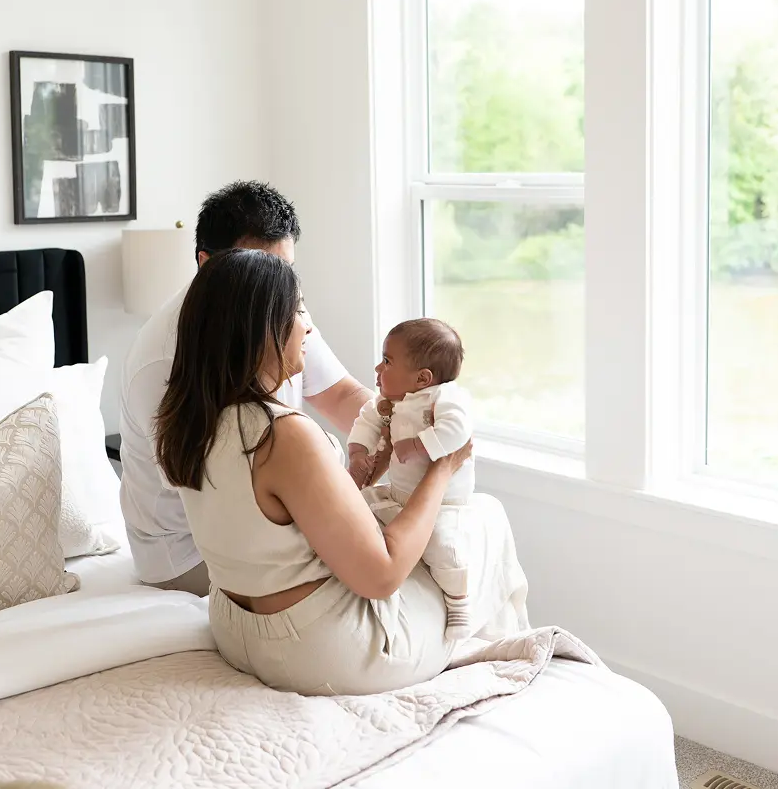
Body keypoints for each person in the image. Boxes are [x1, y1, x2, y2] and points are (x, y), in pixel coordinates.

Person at [154, 248, 529, 696]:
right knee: (485, 519)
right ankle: (511, 659)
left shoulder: (186, 420)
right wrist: (441, 469)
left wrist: (351, 474)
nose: (307, 325)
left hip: (236, 629)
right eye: (297, 310)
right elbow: (381, 576)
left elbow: (272, 523)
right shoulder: (281, 435)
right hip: (321, 650)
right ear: (261, 330)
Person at [119, 181, 372, 596]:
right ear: (206, 263)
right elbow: (212, 491)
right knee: (371, 572)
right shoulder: (162, 359)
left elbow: (342, 396)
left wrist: (397, 426)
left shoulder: (280, 308)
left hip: (273, 513)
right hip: (190, 552)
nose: (276, 287)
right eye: (259, 267)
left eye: (285, 271)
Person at [347, 318, 475, 640]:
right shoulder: (390, 402)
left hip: (442, 504)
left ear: (422, 378)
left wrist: (417, 446)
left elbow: (458, 430)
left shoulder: (444, 398)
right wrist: (358, 454)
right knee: (358, 505)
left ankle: (458, 601)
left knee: (444, 547)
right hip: (398, 493)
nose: (378, 367)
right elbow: (366, 421)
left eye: (387, 361)